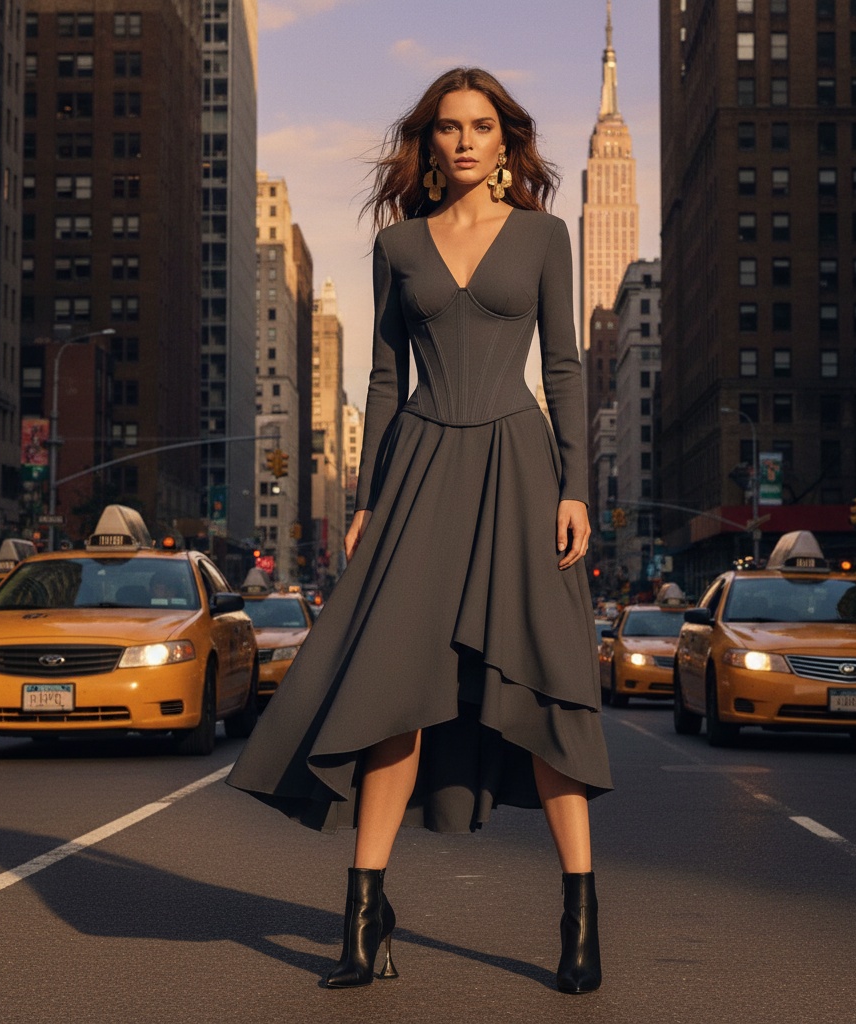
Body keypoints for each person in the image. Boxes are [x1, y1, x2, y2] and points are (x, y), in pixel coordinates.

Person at [227, 67, 612, 994]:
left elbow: (563, 367)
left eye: (483, 127)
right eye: (450, 128)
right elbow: (385, 383)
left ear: (505, 140)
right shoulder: (398, 247)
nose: (467, 141)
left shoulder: (545, 237)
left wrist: (575, 487)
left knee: (548, 685)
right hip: (421, 473)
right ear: (429, 142)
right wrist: (364, 501)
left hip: (521, 470)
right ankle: (361, 917)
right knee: (394, 686)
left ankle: (580, 922)